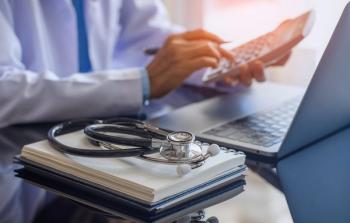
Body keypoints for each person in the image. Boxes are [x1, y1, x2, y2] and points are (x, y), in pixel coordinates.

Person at [0, 0, 280, 128]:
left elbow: (148, 35)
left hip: (94, 144)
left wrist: (217, 63)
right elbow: (5, 91)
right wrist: (142, 83)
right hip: (21, 171)